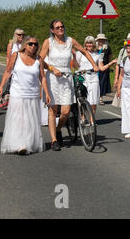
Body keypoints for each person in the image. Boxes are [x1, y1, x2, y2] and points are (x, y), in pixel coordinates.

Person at [40, 19, 99, 151]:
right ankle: (54, 140)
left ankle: (58, 129)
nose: (60, 29)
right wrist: (51, 68)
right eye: (57, 27)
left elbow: (84, 51)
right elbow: (40, 59)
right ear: (52, 30)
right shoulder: (48, 42)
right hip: (53, 79)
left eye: (62, 26)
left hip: (66, 78)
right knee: (53, 109)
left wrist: (94, 65)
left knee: (66, 111)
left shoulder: (70, 41)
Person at [0, 36, 51, 155]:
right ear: (25, 45)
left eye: (36, 44)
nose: (33, 46)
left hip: (32, 94)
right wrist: (1, 86)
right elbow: (7, 71)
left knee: (29, 120)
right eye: (31, 44)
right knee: (19, 119)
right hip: (18, 93)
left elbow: (42, 77)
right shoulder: (16, 56)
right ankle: (19, 144)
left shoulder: (39, 59)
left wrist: (47, 93)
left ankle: (27, 143)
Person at [74, 36, 117, 114]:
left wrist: (112, 62)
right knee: (82, 99)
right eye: (87, 43)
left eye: (90, 43)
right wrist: (74, 56)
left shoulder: (98, 55)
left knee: (93, 102)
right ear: (85, 44)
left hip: (93, 78)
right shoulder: (80, 53)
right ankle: (82, 118)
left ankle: (92, 120)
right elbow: (76, 66)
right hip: (82, 78)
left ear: (93, 44)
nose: (89, 45)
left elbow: (101, 68)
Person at [95, 34, 112, 105]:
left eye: (102, 40)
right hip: (95, 67)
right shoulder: (94, 48)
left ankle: (100, 98)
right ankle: (94, 97)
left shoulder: (107, 48)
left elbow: (109, 57)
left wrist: (107, 66)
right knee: (95, 82)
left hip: (104, 67)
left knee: (102, 83)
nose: (101, 41)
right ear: (97, 40)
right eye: (100, 39)